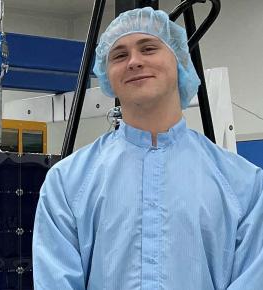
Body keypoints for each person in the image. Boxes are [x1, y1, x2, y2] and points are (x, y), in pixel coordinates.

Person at [33, 7, 263, 289]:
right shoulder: (67, 183)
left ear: (180, 61)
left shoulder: (244, 184)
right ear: (107, 76)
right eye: (119, 55)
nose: (134, 62)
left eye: (149, 48)